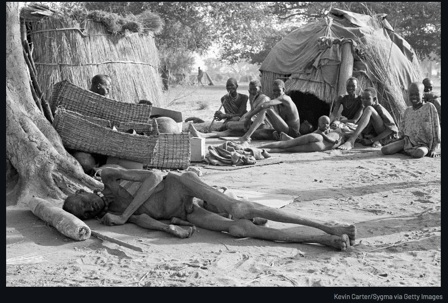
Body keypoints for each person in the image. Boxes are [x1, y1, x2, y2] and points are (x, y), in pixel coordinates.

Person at [63, 166, 356, 250]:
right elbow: (142, 219)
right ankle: (323, 239)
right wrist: (167, 227)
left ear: (83, 190)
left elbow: (153, 176)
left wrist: (125, 214)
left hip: (181, 186)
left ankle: (329, 226)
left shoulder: (109, 176)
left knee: (239, 209)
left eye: (88, 202)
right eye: (88, 212)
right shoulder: (111, 216)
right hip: (183, 212)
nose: (94, 207)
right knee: (239, 228)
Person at [189, 79, 273, 139]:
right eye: (250, 89)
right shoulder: (224, 99)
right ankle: (203, 135)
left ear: (236, 86)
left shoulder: (259, 98)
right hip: (245, 122)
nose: (252, 91)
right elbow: (252, 111)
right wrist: (220, 115)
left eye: (254, 89)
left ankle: (207, 133)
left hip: (255, 124)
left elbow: (254, 115)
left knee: (229, 125)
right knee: (229, 132)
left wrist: (225, 116)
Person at [381, 82, 441, 158]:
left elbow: (437, 128)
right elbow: (403, 131)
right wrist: (397, 141)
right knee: (385, 150)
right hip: (407, 142)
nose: (414, 97)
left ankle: (410, 151)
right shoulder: (407, 111)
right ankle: (407, 149)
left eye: (417, 94)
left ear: (422, 95)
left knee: (419, 153)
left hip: (424, 144)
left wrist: (436, 147)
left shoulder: (429, 107)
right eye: (411, 94)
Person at [259, 115, 346, 153]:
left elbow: (322, 136)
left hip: (318, 142)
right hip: (321, 146)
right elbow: (329, 139)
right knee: (286, 148)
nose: (327, 125)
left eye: (328, 123)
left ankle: (259, 148)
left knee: (286, 145)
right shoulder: (339, 133)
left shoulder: (335, 131)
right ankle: (260, 149)